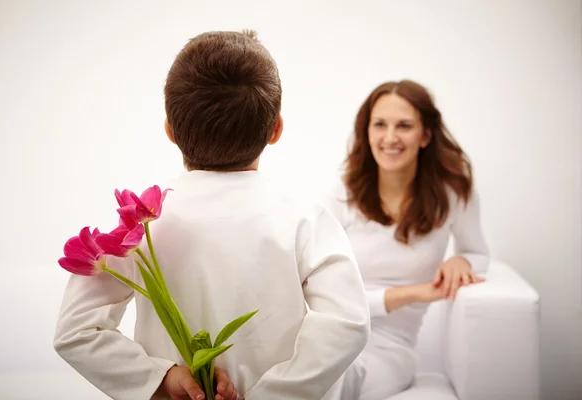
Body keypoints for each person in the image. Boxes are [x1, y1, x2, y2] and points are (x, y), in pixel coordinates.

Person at [53, 30, 370, 400]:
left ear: (169, 130)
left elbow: (75, 332)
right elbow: (347, 323)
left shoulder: (139, 229)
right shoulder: (304, 217)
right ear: (276, 130)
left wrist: (163, 379)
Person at [320, 79, 490, 399]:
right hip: (333, 334)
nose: (390, 138)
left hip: (390, 349)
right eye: (380, 125)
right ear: (366, 131)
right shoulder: (342, 192)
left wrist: (461, 259)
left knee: (340, 380)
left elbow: (478, 253)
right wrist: (414, 293)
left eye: (404, 126)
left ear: (425, 135)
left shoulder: (454, 194)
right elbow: (321, 293)